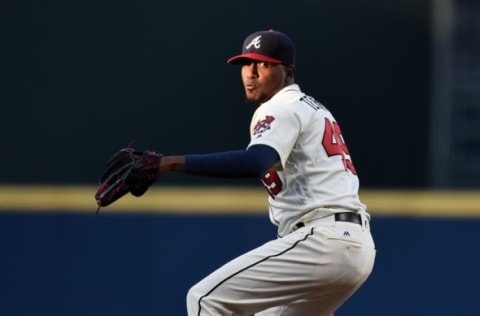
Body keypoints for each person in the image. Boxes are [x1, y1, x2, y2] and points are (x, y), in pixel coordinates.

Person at [157, 30, 376, 316]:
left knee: (204, 299)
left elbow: (255, 162)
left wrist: (170, 163)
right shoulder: (314, 109)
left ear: (288, 72)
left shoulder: (281, 106)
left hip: (322, 240)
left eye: (264, 64)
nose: (252, 73)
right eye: (246, 64)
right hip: (355, 248)